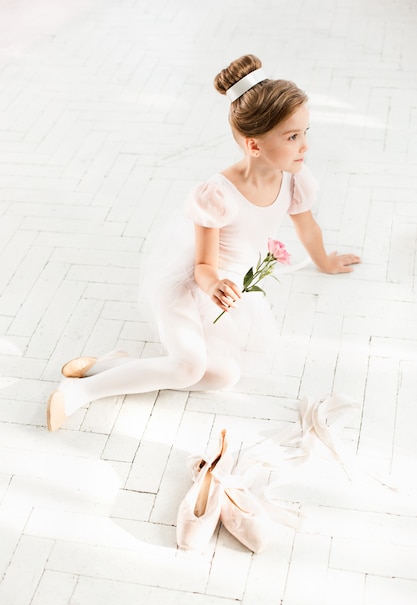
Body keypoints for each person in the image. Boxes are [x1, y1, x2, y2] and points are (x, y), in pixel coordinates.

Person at [47, 54, 360, 432]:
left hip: (227, 292)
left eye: (306, 132)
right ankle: (81, 392)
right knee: (189, 366)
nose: (305, 146)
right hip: (189, 285)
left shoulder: (294, 179)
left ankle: (111, 366)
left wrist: (324, 261)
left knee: (222, 376)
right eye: (293, 137)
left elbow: (307, 227)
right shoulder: (218, 195)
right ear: (254, 145)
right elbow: (203, 267)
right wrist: (214, 286)